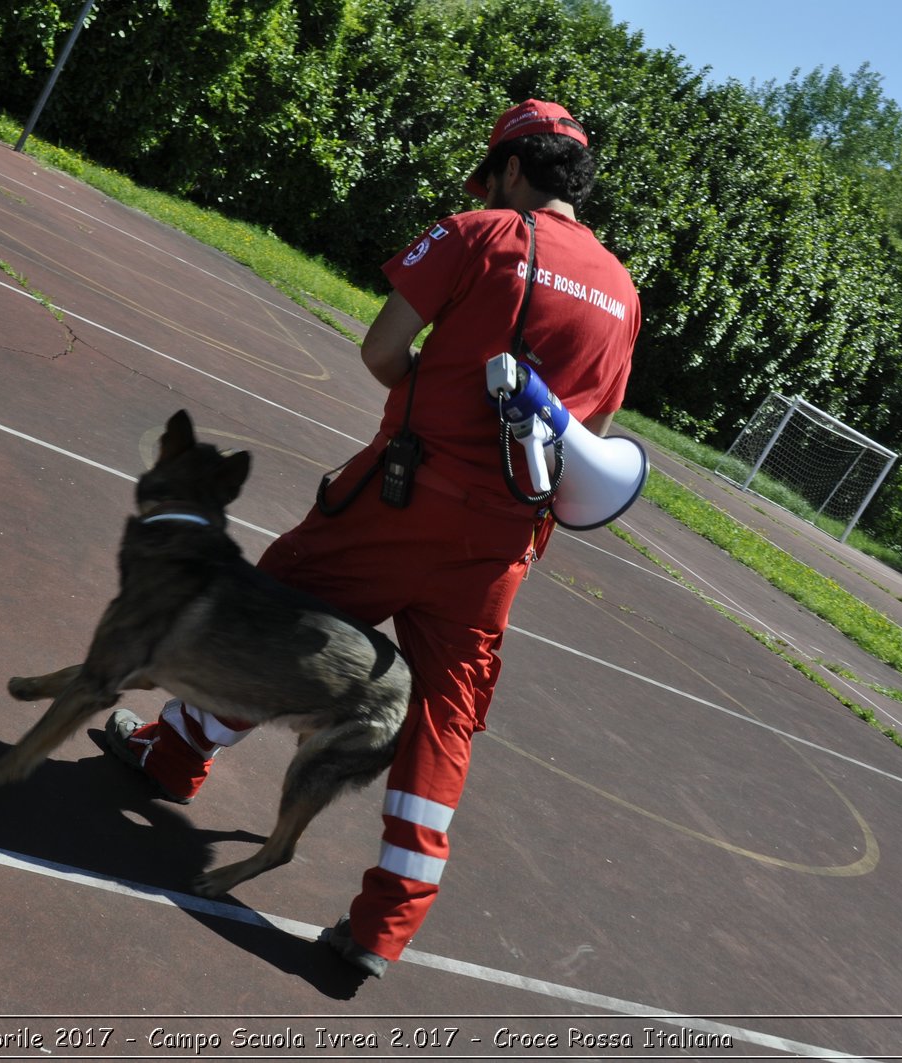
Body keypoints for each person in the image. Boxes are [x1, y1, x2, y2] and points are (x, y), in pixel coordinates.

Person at [106, 99, 641, 977]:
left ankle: (171, 756)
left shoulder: (484, 232)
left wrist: (434, 387)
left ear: (512, 168)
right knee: (448, 715)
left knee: (275, 618)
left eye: (492, 171)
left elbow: (382, 350)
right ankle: (384, 925)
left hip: (400, 501)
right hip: (502, 544)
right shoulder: (623, 294)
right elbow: (597, 436)